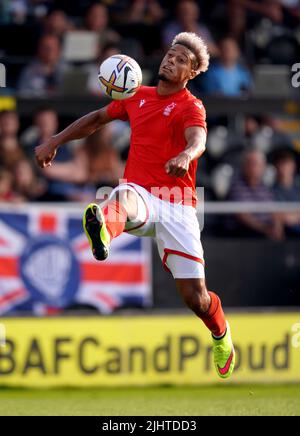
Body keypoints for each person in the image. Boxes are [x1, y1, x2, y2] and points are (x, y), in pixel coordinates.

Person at [35, 32, 235, 379]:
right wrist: (55, 140)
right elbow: (96, 119)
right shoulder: (135, 96)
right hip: (140, 193)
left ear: (191, 73)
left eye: (180, 59)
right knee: (122, 197)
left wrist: (186, 155)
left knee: (196, 298)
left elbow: (198, 138)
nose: (170, 60)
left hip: (177, 205)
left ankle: (221, 335)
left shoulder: (191, 105)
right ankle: (104, 236)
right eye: (169, 54)